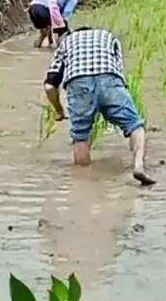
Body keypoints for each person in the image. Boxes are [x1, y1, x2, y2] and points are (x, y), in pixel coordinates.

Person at [43, 25, 155, 184]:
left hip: (79, 84)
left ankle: (84, 185)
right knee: (134, 125)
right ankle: (138, 165)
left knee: (80, 136)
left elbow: (49, 86)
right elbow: (118, 71)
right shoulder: (108, 36)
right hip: (109, 80)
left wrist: (59, 110)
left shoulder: (66, 42)